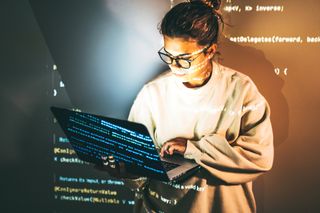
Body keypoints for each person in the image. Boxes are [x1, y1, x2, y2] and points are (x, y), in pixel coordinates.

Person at [96, 0, 274, 212]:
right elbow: (141, 173)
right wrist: (128, 171)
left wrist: (192, 149)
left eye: (184, 58)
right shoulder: (153, 94)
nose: (174, 65)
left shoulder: (241, 90)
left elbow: (259, 158)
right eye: (168, 55)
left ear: (210, 51)